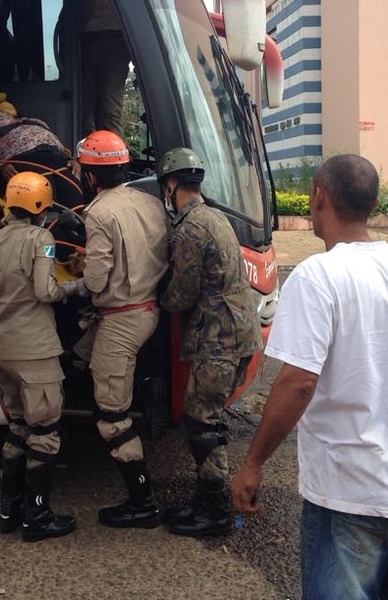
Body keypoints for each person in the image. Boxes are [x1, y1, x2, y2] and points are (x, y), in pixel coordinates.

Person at [231, 154, 388, 600]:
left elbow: (298, 383)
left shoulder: (318, 276)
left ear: (319, 197)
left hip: (350, 492)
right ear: (373, 203)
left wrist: (253, 463)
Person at [156, 147, 261, 537]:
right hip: (239, 333)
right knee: (207, 416)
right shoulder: (215, 217)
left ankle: (215, 510)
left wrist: (154, 299)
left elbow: (180, 296)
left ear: (170, 185)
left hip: (218, 339)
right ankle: (205, 500)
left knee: (202, 420)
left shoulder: (190, 229)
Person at [70, 129, 170, 528]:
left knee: (111, 415)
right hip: (148, 308)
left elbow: (96, 282)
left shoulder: (98, 213)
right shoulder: (150, 201)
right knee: (79, 357)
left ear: (91, 176)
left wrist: (73, 276)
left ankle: (141, 501)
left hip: (120, 318)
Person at [0, 171, 81, 543]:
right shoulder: (41, 238)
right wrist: (75, 287)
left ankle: (10, 512)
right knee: (45, 431)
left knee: (18, 429)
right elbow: (44, 291)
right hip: (34, 349)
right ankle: (37, 517)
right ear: (40, 207)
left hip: (3, 347)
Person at [0, 93, 84, 212]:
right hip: (30, 160)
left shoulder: (35, 122)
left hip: (54, 159)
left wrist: (71, 159)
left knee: (70, 203)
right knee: (70, 203)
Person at [79, 0, 131, 136]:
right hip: (83, 38)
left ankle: (112, 154)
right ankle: (86, 150)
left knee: (110, 108)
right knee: (82, 108)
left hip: (115, 38)